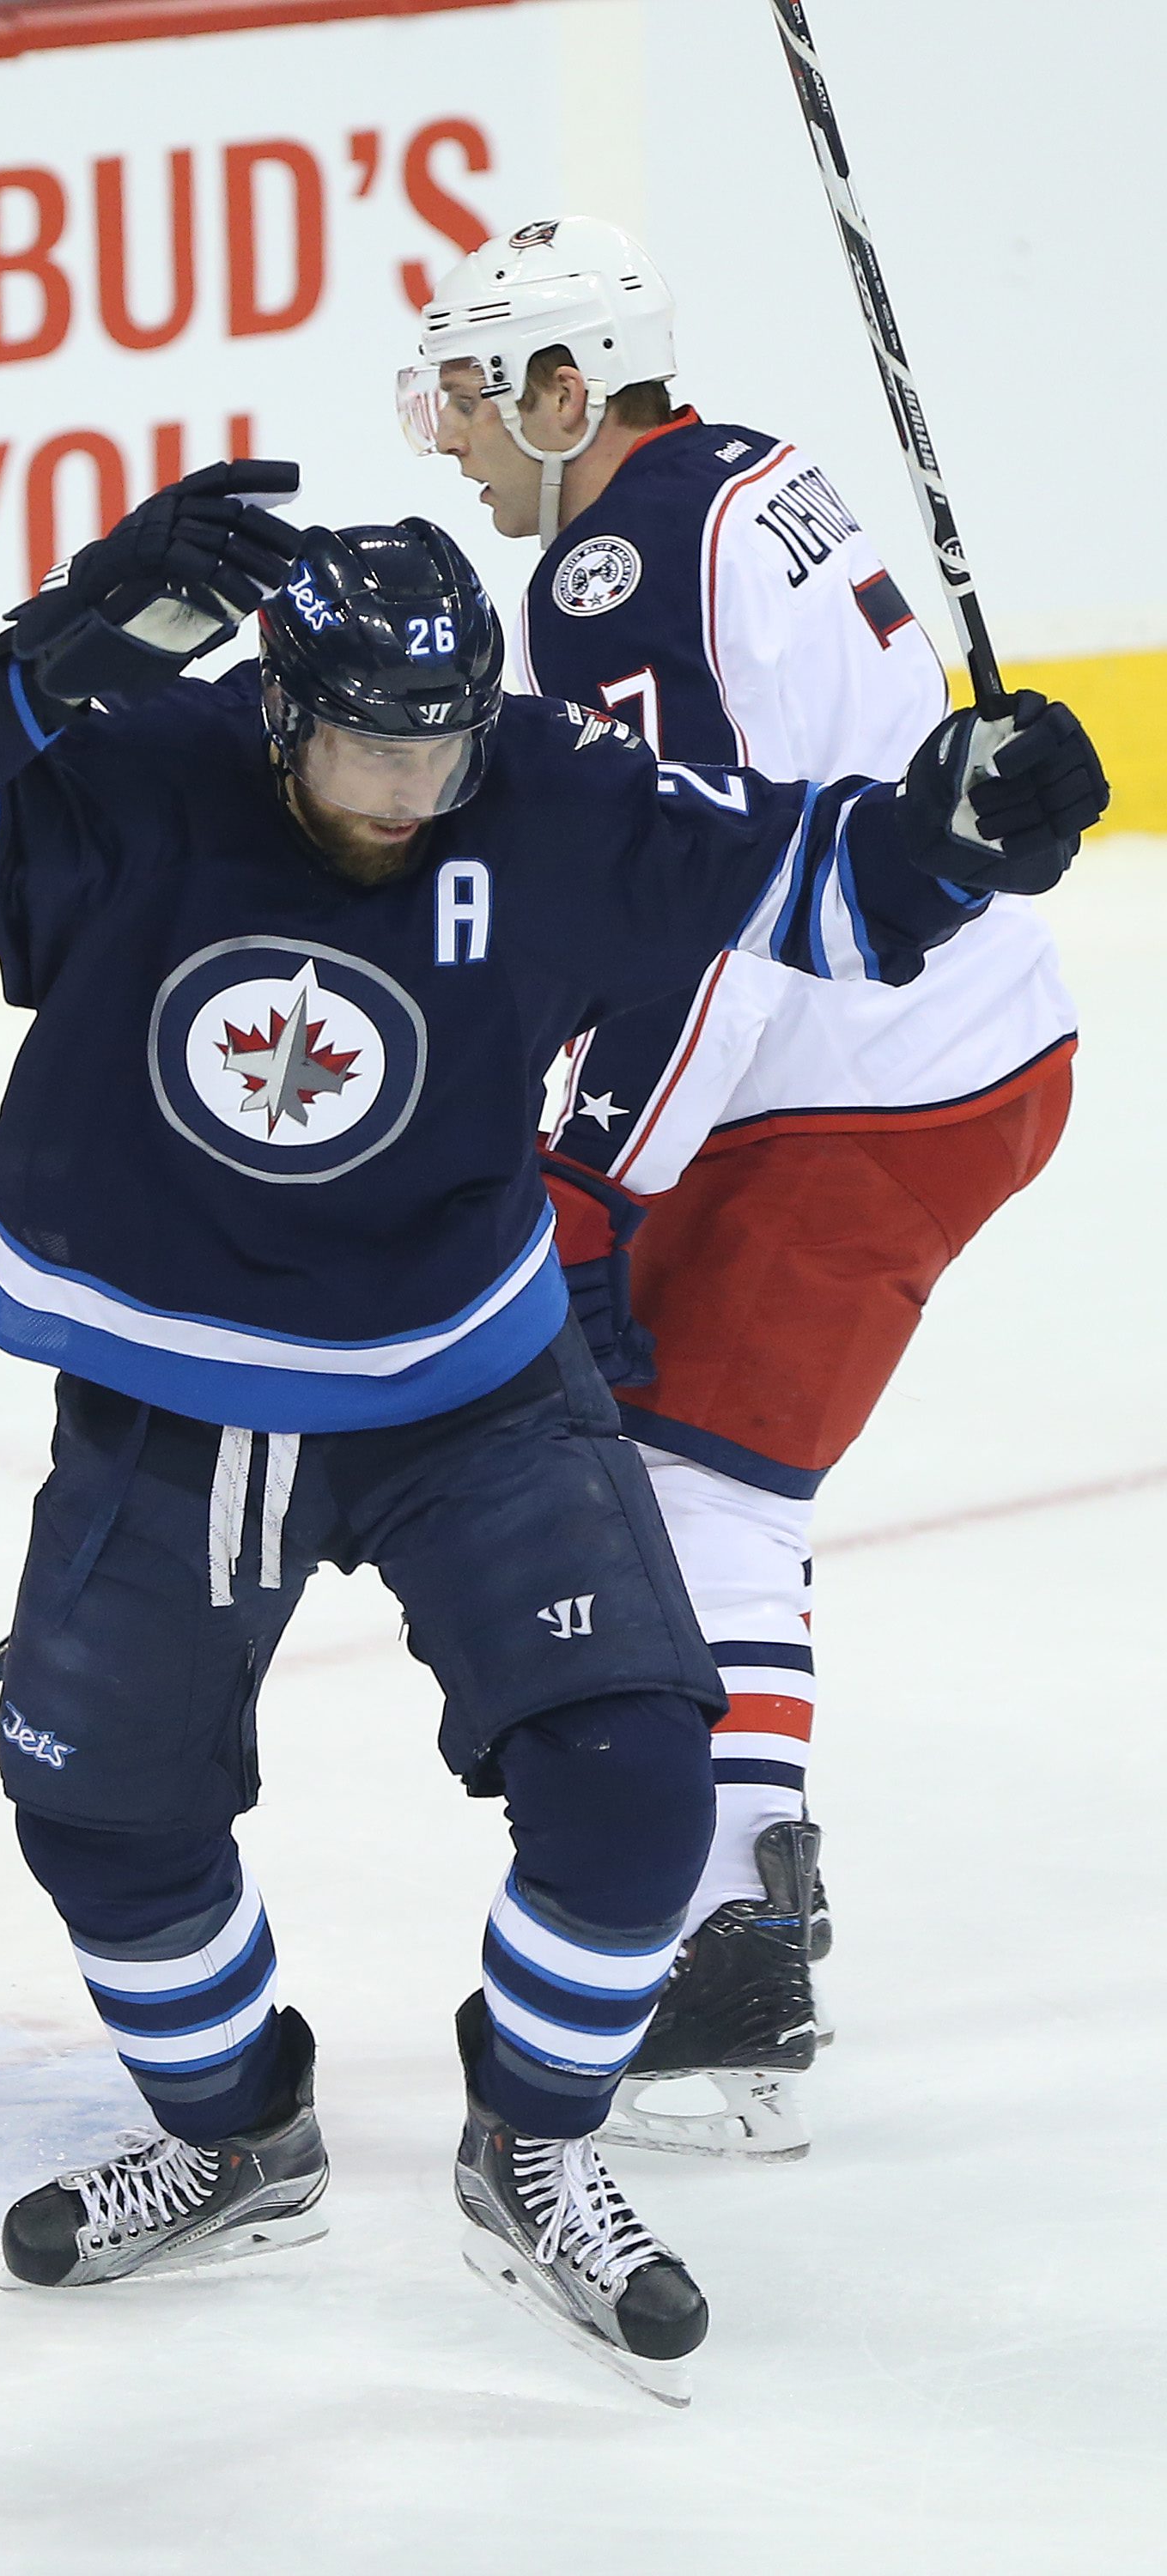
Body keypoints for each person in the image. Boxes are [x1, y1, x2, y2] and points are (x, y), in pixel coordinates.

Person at [0, 461, 1103, 2397]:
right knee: (100, 1810)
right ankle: (236, 2133)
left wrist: (963, 830)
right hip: (179, 1395)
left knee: (638, 1788)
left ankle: (535, 2145)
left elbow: (825, 890)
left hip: (463, 1386)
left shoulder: (547, 795)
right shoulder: (144, 769)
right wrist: (44, 662)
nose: (406, 795)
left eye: (438, 749)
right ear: (275, 709)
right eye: (362, 750)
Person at [398, 219, 1079, 2160]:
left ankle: (728, 1940)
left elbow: (699, 916)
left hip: (869, 1087)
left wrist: (594, 1173)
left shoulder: (609, 575)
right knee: (655, 1443)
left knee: (702, 1474)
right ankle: (716, 1897)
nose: (447, 431)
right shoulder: (740, 467)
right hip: (913, 1050)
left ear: (563, 387)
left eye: (470, 385)